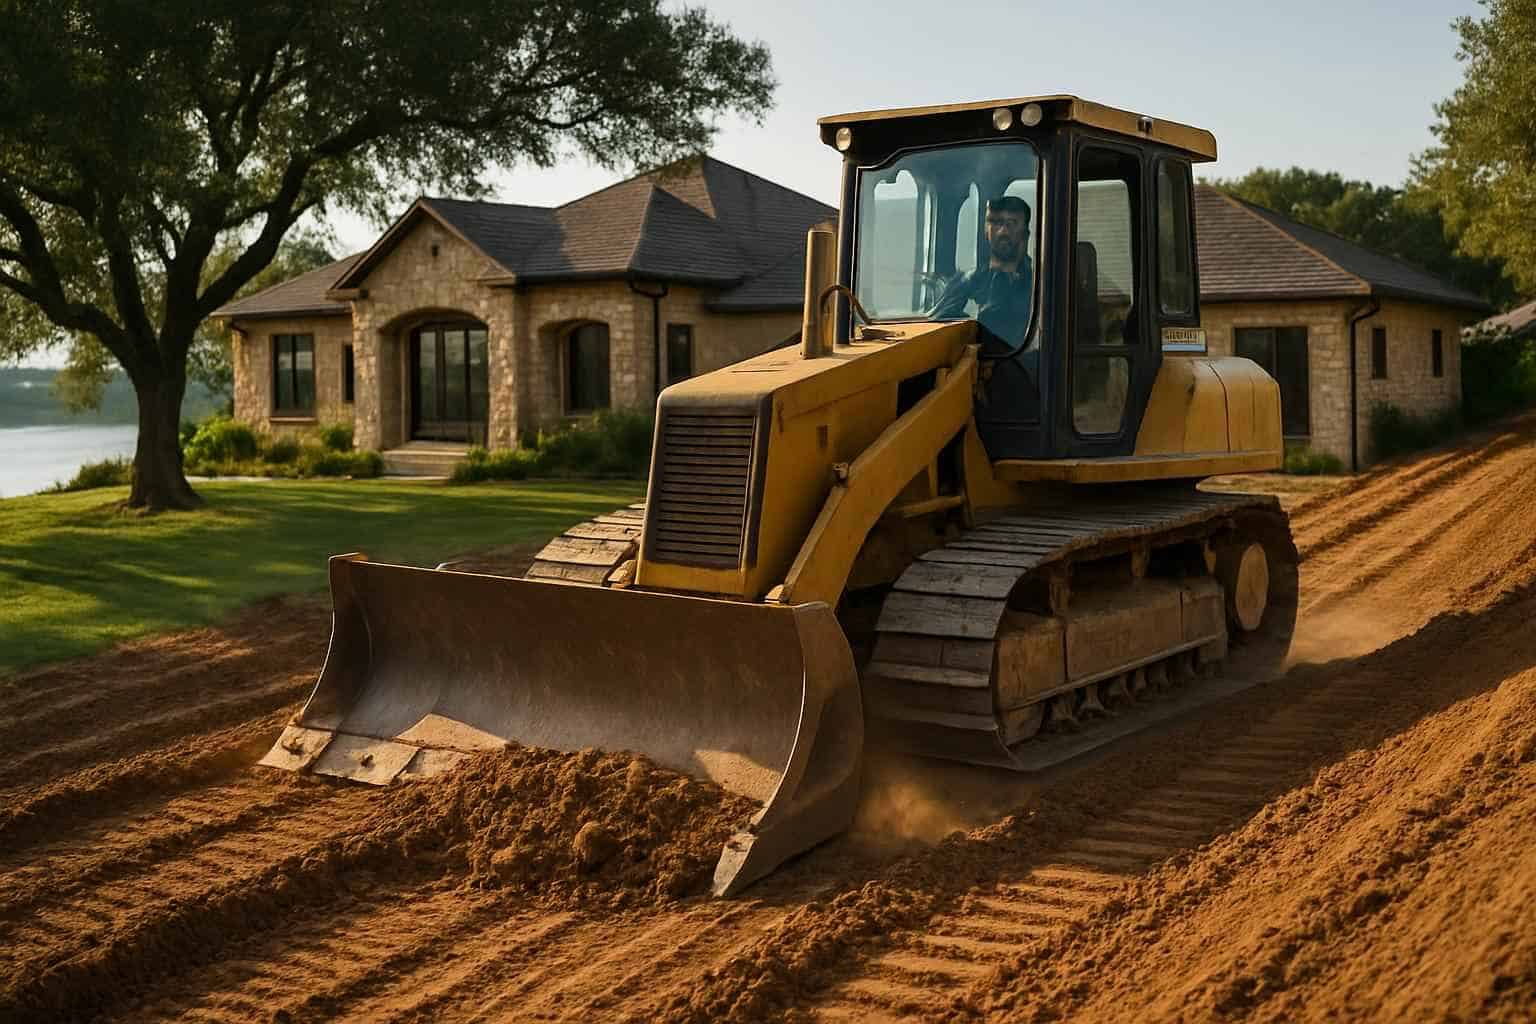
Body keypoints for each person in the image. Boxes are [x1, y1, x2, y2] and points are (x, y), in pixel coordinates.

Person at [929, 195, 1034, 350]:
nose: (1003, 231)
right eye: (995, 222)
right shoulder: (966, 283)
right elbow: (936, 329)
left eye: (1011, 223)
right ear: (986, 229)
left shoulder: (1039, 283)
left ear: (1025, 232)